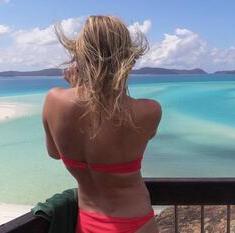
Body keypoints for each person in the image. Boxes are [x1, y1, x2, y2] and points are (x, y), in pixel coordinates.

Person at [42, 15, 161, 233]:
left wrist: (77, 88)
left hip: (86, 220)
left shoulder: (54, 101)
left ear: (80, 55)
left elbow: (55, 153)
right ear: (127, 58)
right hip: (135, 223)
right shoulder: (148, 111)